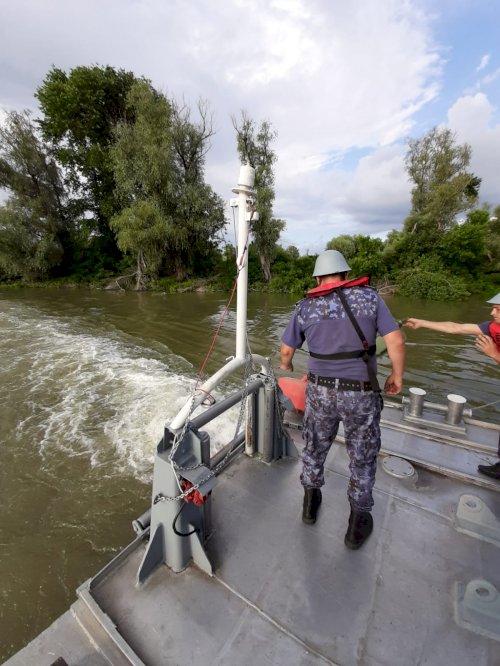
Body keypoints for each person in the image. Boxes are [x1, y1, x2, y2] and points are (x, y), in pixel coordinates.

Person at [280, 250, 405, 550]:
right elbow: (396, 340)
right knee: (362, 455)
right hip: (360, 391)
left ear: (317, 278)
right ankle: (356, 527)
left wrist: (286, 367)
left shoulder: (305, 307)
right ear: (346, 275)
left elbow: (286, 350)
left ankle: (310, 505)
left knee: (314, 446)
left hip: (320, 391)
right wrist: (397, 376)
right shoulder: (371, 299)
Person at [405, 292, 500, 480]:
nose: (492, 312)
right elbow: (455, 327)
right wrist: (422, 322)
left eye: (497, 309)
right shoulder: (493, 327)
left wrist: (494, 354)